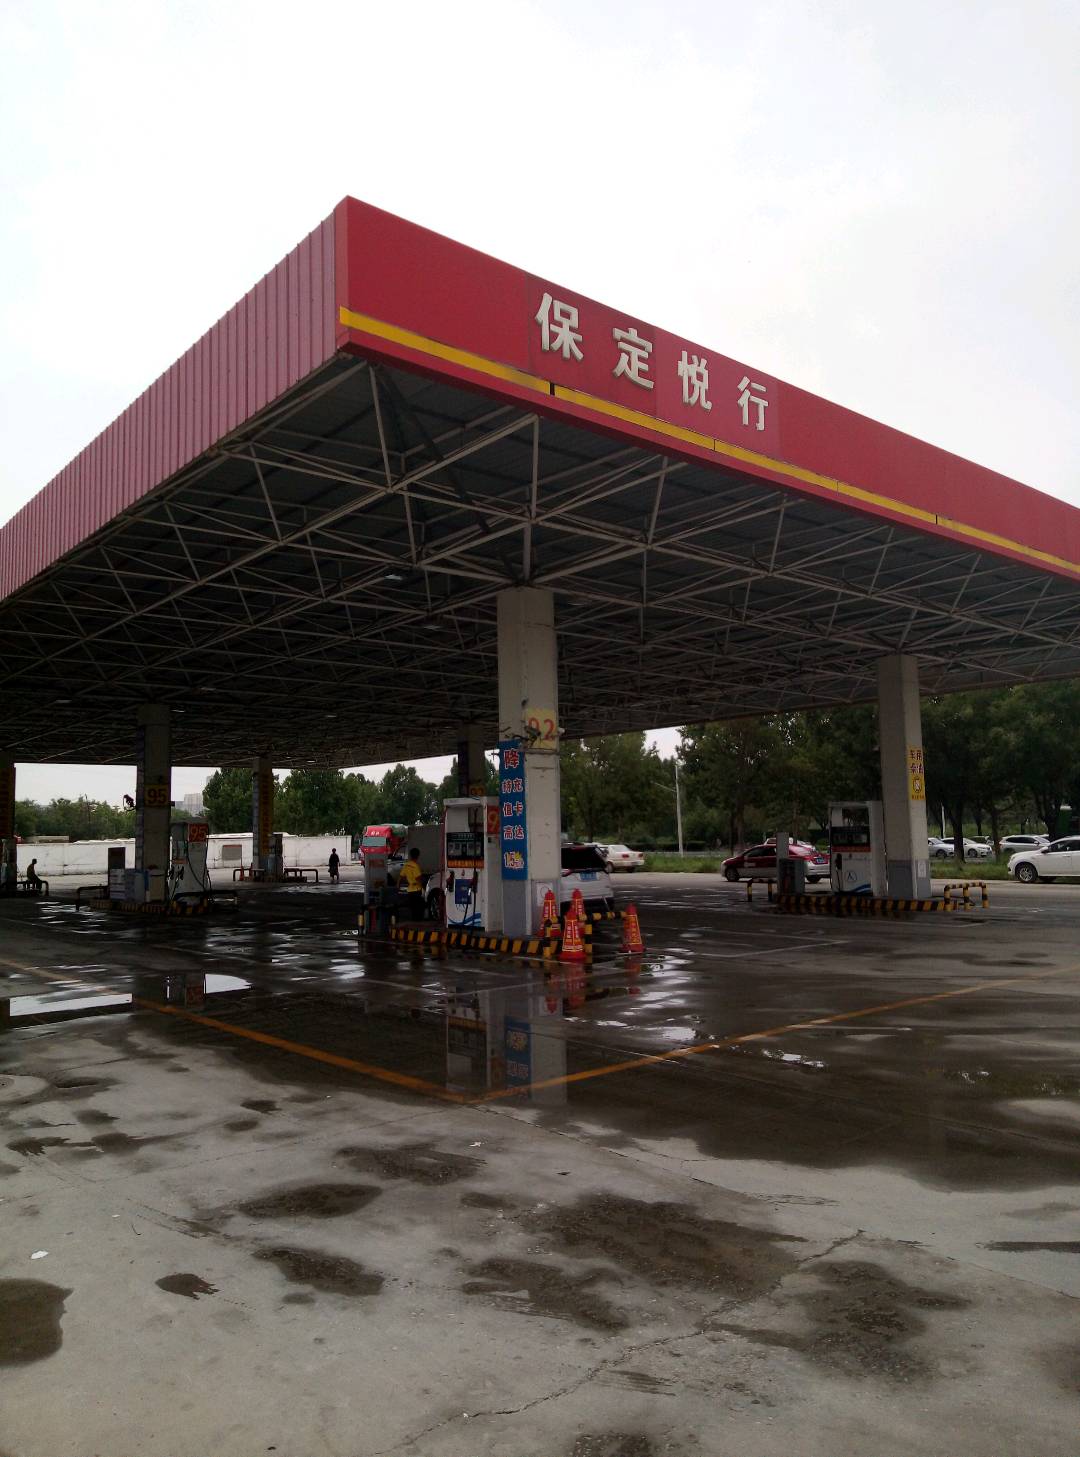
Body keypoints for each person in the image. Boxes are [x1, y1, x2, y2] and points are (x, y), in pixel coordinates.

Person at [397, 846, 424, 921]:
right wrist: (423, 888)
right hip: (417, 890)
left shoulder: (406, 865)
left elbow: (400, 877)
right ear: (418, 856)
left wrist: (398, 887)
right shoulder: (415, 866)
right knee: (418, 908)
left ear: (410, 855)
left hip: (410, 890)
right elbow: (418, 879)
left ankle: (413, 922)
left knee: (412, 908)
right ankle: (417, 922)